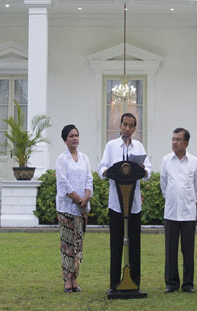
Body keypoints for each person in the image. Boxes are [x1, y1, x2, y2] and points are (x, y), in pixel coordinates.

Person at [98, 112, 152, 293]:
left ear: (135, 129)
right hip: (116, 203)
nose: (127, 129)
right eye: (125, 125)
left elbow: (148, 171)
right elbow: (102, 168)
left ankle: (134, 282)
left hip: (134, 203)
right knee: (116, 243)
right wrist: (107, 171)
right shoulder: (111, 146)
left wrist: (143, 170)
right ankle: (114, 283)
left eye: (131, 126)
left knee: (135, 243)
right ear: (120, 126)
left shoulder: (138, 147)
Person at [160, 127, 197, 293]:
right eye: (173, 139)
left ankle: (188, 284)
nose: (174, 142)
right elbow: (164, 183)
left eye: (178, 139)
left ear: (186, 143)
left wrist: (190, 200)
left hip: (188, 212)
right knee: (170, 250)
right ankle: (171, 283)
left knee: (188, 250)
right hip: (171, 212)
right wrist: (171, 197)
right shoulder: (166, 160)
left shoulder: (194, 161)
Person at [55, 124, 93, 293]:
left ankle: (75, 278)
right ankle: (67, 279)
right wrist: (78, 199)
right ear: (65, 140)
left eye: (76, 135)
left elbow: (89, 179)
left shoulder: (84, 158)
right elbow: (63, 183)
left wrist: (86, 197)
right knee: (67, 245)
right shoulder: (62, 159)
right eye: (71, 136)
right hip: (67, 209)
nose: (75, 138)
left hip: (82, 210)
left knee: (78, 245)